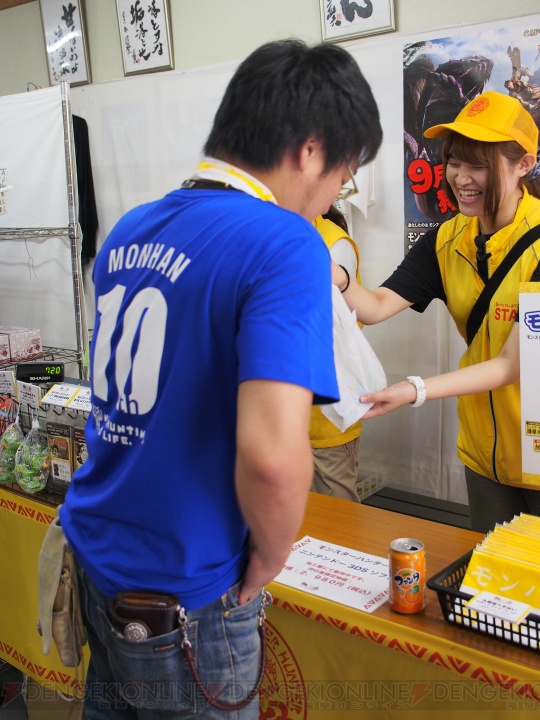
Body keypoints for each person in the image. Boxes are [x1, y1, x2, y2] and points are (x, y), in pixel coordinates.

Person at [59, 39, 382, 719]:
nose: (330, 201)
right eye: (342, 179)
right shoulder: (286, 242)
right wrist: (269, 557)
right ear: (312, 150)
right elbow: (271, 458)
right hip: (187, 589)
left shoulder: (129, 230)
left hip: (96, 554)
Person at [333, 90, 540, 534]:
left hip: (536, 449)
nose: (461, 178)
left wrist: (413, 390)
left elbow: (510, 366)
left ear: (524, 164)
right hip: (484, 454)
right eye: (454, 162)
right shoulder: (448, 239)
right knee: (494, 589)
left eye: (478, 164)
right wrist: (339, 279)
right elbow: (376, 307)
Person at [311, 204, 363, 502]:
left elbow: (332, 328)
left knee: (335, 523)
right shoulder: (261, 234)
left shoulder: (333, 243)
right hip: (271, 416)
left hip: (327, 418)